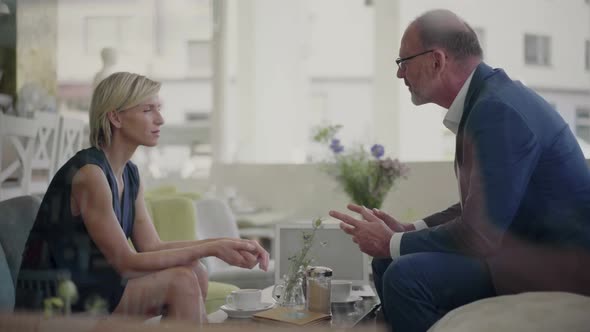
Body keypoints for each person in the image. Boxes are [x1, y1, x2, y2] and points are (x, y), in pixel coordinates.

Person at [329, 9, 590, 332]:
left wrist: (392, 241)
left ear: (437, 60)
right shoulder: (488, 101)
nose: (400, 75)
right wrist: (409, 229)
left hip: (554, 268)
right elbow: (482, 207)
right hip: (519, 251)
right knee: (387, 261)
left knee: (403, 277)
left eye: (403, 62)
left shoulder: (497, 110)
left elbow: (479, 233)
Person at [19, 72, 269, 323]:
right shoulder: (89, 175)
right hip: (55, 304)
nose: (160, 119)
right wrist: (213, 248)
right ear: (115, 117)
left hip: (92, 289)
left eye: (158, 109)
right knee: (181, 282)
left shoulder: (130, 174)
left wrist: (226, 242)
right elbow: (127, 263)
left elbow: (152, 247)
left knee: (196, 271)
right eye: (148, 110)